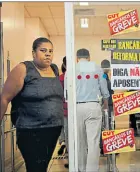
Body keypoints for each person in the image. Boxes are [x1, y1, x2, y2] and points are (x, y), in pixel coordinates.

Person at [0, 37, 64, 172]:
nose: (48, 54)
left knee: (42, 167)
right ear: (34, 53)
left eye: (51, 51)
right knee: (36, 168)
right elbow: (4, 98)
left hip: (52, 129)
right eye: (43, 50)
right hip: (31, 131)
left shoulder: (54, 69)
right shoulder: (23, 69)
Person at [67, 48, 109, 172]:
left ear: (77, 58)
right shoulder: (98, 68)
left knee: (79, 141)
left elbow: (67, 93)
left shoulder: (72, 70)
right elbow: (104, 91)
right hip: (93, 106)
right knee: (93, 142)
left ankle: (80, 168)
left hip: (77, 107)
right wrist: (105, 102)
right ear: (89, 57)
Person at [58, 56, 69, 168]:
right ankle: (72, 157)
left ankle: (64, 143)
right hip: (74, 111)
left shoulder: (60, 78)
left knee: (65, 131)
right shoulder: (76, 76)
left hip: (63, 110)